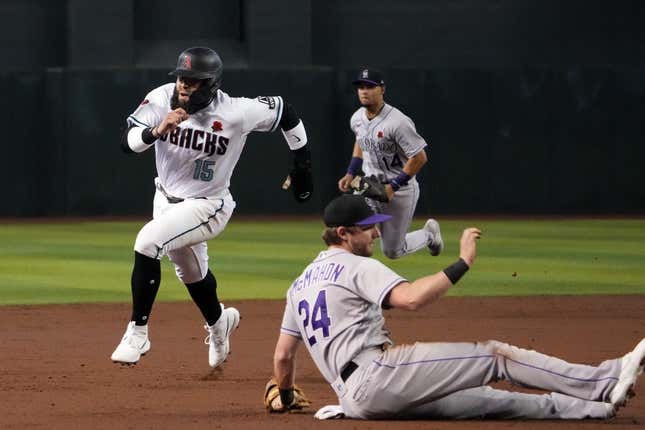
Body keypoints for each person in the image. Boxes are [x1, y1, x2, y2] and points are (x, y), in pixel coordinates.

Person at [268, 194, 645, 419]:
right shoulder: (355, 265)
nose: (377, 232)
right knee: (496, 356)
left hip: (355, 399)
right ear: (343, 234)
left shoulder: (298, 284)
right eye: (368, 227)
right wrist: (462, 262)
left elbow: (284, 357)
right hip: (379, 376)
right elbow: (412, 298)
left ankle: (597, 409)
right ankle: (604, 381)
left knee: (491, 401)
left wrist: (285, 396)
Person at [111, 47, 313, 367]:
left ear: (211, 84)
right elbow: (127, 142)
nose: (183, 84)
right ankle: (220, 323)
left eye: (193, 80)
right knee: (192, 274)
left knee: (148, 243)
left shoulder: (235, 112)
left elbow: (285, 111)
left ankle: (138, 332)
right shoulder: (162, 98)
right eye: (181, 77)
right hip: (164, 199)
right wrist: (156, 130)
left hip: (208, 205)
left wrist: (302, 164)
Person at [337, 68, 442, 260]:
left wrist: (393, 187)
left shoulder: (398, 122)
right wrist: (351, 172)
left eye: (370, 86)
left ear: (382, 89)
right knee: (353, 230)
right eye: (360, 87)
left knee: (392, 251)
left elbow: (419, 157)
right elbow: (360, 141)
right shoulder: (357, 118)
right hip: (369, 185)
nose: (364, 91)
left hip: (399, 190)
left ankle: (428, 235)